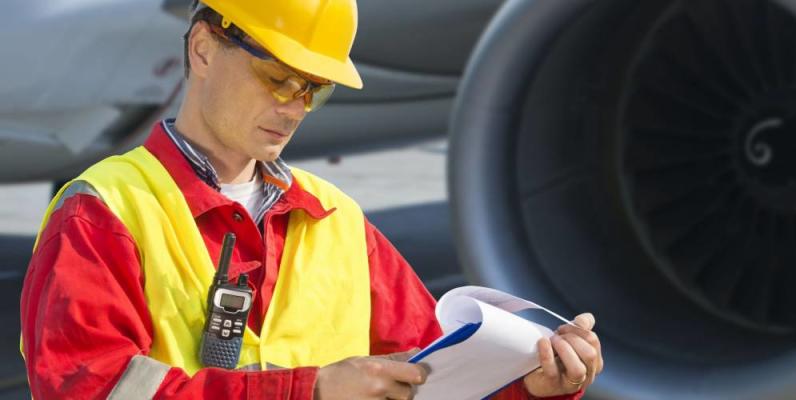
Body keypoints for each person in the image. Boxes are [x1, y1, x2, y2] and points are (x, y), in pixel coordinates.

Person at [19, 1, 604, 399]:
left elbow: (430, 380)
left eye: (313, 90)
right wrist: (311, 389)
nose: (295, 107)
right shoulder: (103, 214)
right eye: (278, 78)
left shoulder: (336, 220)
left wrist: (531, 384)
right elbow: (89, 388)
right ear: (202, 49)